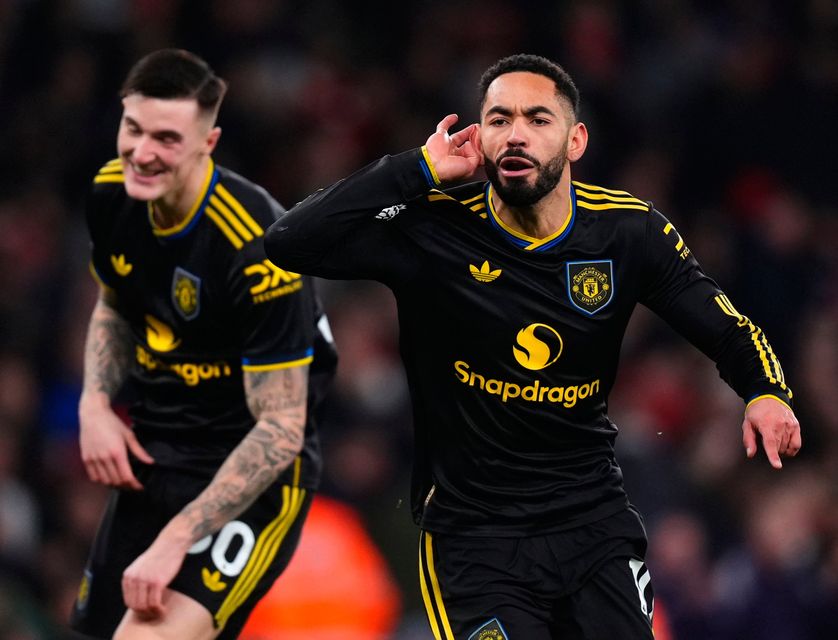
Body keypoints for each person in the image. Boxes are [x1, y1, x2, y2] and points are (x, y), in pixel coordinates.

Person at [263, 53, 801, 639]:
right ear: (479, 136)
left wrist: (765, 390)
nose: (516, 134)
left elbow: (726, 326)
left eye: (538, 120)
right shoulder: (434, 229)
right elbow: (289, 242)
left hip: (591, 525)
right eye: (498, 119)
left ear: (576, 141)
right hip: (474, 541)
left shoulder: (628, 231)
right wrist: (415, 168)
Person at [70, 49, 337, 640]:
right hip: (158, 454)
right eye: (133, 129)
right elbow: (115, 301)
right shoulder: (111, 195)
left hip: (252, 477)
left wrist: (175, 539)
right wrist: (94, 401)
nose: (141, 153)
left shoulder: (257, 248)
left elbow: (281, 427)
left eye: (166, 138)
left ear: (207, 142)